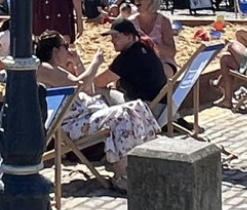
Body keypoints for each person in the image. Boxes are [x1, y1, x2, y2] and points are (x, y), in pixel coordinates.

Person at [35, 30, 159, 190]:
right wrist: (96, 62)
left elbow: (89, 90)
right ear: (55, 50)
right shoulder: (45, 68)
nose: (69, 49)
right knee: (121, 115)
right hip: (71, 126)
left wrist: (77, 62)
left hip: (86, 117)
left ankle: (149, 157)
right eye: (65, 46)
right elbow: (78, 85)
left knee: (138, 106)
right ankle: (121, 175)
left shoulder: (57, 70)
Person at [93, 18, 167, 104]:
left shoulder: (127, 57)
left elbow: (98, 82)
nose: (112, 41)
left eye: (116, 37)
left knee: (96, 89)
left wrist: (96, 62)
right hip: (163, 106)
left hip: (147, 109)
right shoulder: (144, 48)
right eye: (112, 37)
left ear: (129, 37)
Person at [130, 0, 177, 77]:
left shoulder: (163, 21)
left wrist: (149, 46)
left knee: (154, 73)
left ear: (152, 1)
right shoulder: (131, 22)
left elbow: (171, 51)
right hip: (138, 62)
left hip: (163, 61)